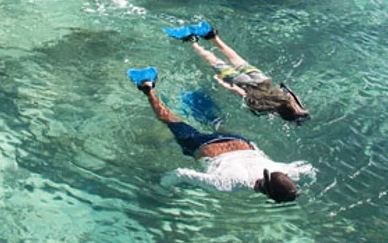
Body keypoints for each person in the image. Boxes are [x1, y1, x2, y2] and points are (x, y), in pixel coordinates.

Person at [132, 70, 310, 201]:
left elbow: (307, 168)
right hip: (205, 147)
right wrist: (161, 188)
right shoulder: (227, 185)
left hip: (240, 143)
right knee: (169, 119)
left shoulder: (285, 170)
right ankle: (148, 88)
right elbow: (181, 173)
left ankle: (199, 96)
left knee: (218, 124)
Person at [171, 23, 309, 121]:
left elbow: (284, 88)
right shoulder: (264, 108)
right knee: (216, 62)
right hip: (243, 83)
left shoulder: (290, 98)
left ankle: (213, 36)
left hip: (262, 79)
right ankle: (192, 41)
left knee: (236, 58)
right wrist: (222, 83)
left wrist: (300, 111)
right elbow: (239, 92)